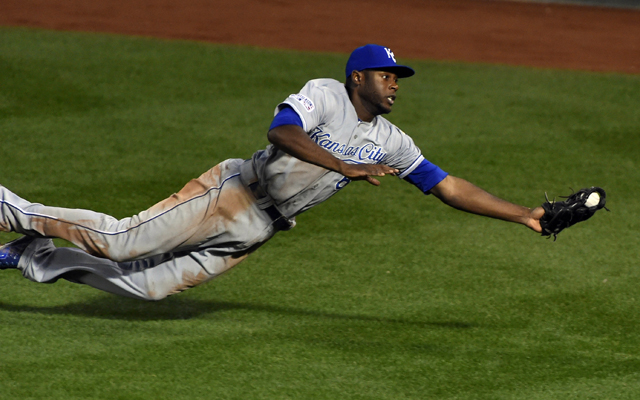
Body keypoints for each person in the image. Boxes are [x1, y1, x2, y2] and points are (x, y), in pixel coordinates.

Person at [0, 44, 544, 301]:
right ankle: (11, 209)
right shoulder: (326, 95)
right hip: (232, 192)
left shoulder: (392, 141)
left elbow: (446, 186)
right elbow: (280, 133)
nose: (395, 83)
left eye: (398, 77)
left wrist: (524, 215)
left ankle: (27, 255)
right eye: (387, 74)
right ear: (359, 78)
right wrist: (341, 165)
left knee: (146, 287)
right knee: (121, 242)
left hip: (260, 228)